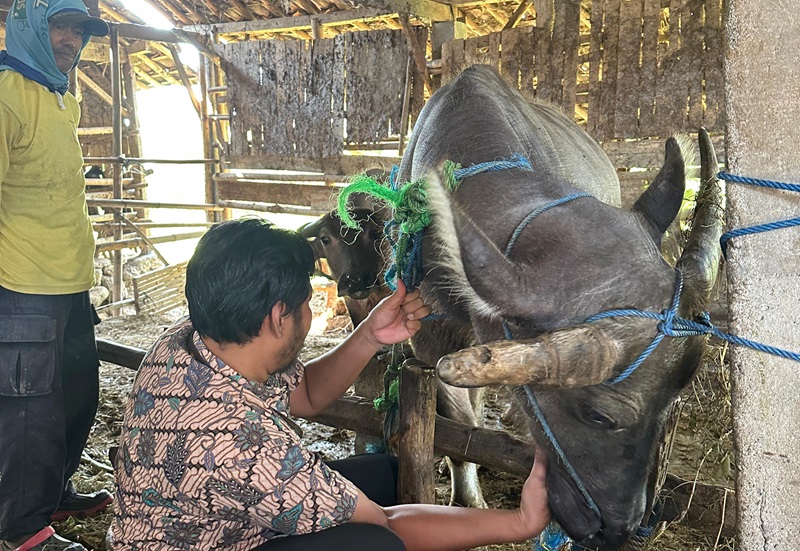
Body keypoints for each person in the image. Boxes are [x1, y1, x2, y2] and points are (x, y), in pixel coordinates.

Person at [111, 217, 550, 550]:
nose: (312, 314)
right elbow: (388, 524)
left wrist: (371, 335)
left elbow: (304, 395)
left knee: (386, 474)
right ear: (276, 317)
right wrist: (518, 522)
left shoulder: (190, 338)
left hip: (207, 520)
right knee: (376, 543)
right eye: (306, 304)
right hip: (211, 537)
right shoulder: (250, 450)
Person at [0, 1, 112, 550]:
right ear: (27, 26)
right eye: (59, 25)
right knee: (30, 413)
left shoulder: (58, 94)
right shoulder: (4, 96)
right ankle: (22, 529)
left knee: (77, 399)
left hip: (69, 282)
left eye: (78, 29)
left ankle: (55, 493)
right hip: (21, 286)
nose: (70, 38)